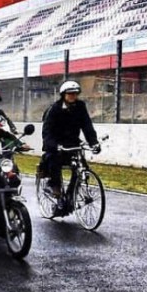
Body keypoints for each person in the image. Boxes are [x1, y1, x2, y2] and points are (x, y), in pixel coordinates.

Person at [41, 80, 99, 214]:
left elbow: (87, 126)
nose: (73, 96)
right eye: (70, 94)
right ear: (63, 95)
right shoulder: (55, 109)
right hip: (56, 143)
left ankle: (71, 194)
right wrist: (54, 145)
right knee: (54, 160)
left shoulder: (80, 106)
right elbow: (47, 131)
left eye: (75, 94)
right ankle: (55, 188)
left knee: (82, 168)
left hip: (73, 143)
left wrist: (94, 142)